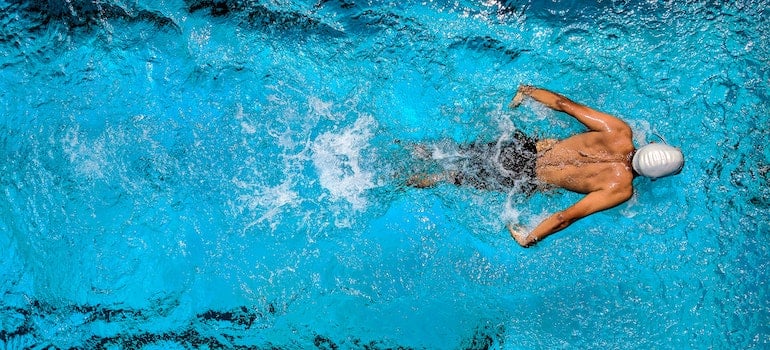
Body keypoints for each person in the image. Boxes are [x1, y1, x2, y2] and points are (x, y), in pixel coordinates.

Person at [407, 85, 684, 247]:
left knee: (452, 152)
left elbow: (564, 104)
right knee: (451, 177)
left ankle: (411, 148)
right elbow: (566, 217)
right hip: (525, 178)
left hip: (523, 148)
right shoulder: (620, 189)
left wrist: (527, 91)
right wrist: (530, 238)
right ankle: (409, 180)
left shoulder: (618, 131)